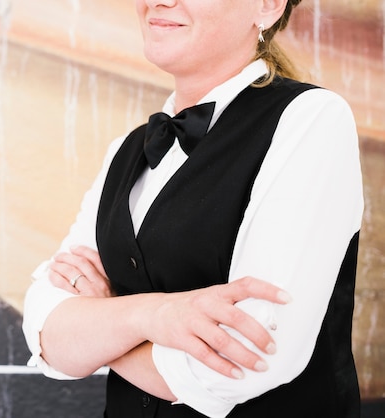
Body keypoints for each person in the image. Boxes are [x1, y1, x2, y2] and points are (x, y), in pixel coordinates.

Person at [22, 0, 364, 416]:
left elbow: (246, 361)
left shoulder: (310, 120)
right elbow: (44, 333)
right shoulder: (126, 151)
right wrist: (152, 315)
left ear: (268, 5)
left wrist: (98, 331)